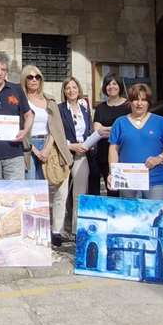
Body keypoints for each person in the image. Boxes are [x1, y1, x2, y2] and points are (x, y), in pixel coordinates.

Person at [108, 83, 163, 200]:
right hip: (127, 179)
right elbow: (113, 149)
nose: (139, 103)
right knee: (129, 211)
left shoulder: (160, 121)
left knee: (153, 210)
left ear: (148, 103)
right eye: (136, 99)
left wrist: (159, 158)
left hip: (155, 179)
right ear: (130, 102)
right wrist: (112, 173)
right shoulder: (120, 122)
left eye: (144, 100)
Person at [56, 77, 93, 238]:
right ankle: (58, 230)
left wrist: (88, 144)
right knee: (61, 193)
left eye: (74, 87)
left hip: (82, 154)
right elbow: (56, 132)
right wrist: (70, 146)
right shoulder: (59, 109)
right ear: (64, 91)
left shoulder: (85, 109)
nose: (71, 90)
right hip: (65, 153)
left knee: (80, 193)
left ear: (79, 90)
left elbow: (89, 130)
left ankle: (77, 230)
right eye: (68, 88)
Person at [21, 65, 67, 181]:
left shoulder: (49, 100)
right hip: (28, 146)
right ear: (24, 80)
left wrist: (47, 149)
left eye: (37, 77)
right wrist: (35, 150)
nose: (34, 80)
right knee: (30, 185)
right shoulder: (21, 100)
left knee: (46, 184)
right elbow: (19, 127)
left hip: (47, 144)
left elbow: (56, 127)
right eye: (30, 77)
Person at [92, 74, 130, 197]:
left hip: (125, 153)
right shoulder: (100, 108)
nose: (111, 86)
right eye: (108, 84)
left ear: (120, 86)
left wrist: (108, 129)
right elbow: (98, 130)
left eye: (114, 83)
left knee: (128, 191)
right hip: (104, 154)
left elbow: (130, 128)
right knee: (112, 189)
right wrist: (118, 129)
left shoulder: (129, 106)